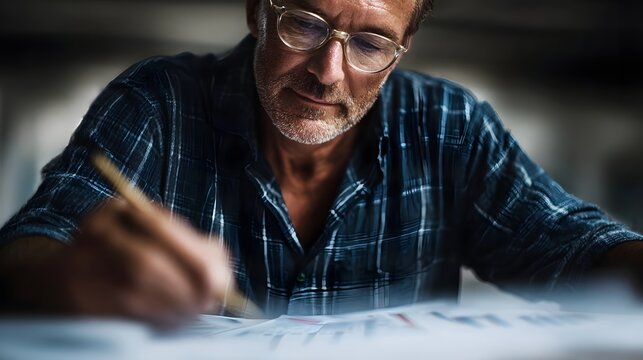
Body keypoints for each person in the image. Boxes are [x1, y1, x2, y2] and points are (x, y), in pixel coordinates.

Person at [0, 0, 642, 324]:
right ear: (257, 9)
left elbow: (572, 244)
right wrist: (76, 276)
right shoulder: (159, 102)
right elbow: (27, 249)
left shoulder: (450, 126)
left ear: (402, 49)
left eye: (369, 43)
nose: (328, 72)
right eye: (305, 24)